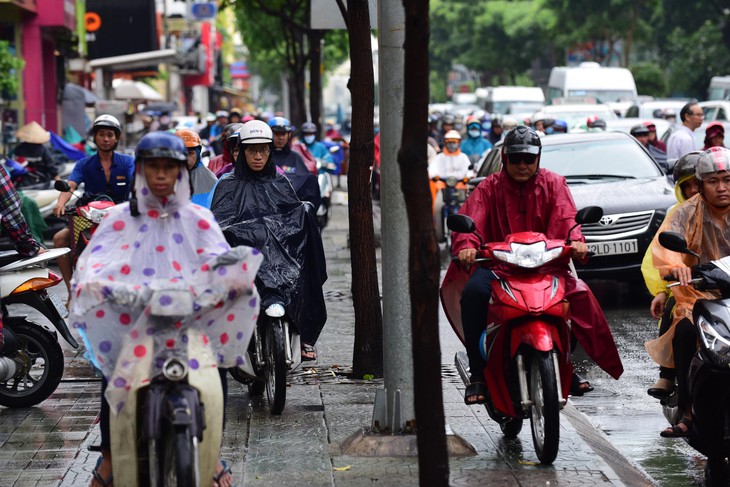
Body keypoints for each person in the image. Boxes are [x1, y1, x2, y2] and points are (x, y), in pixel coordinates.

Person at [70, 131, 260, 487]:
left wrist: (231, 280)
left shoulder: (198, 220)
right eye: (152, 167)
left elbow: (218, 260)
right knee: (114, 377)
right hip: (133, 325)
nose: (160, 175)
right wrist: (93, 284)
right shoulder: (117, 220)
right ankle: (110, 458)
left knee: (214, 369)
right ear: (140, 170)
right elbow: (95, 264)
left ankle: (212, 452)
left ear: (180, 172)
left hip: (189, 324)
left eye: (168, 168)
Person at [440, 126, 623, 404]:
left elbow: (566, 217)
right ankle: (478, 372)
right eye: (516, 159)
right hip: (498, 267)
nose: (522, 165)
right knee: (474, 294)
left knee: (579, 296)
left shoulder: (554, 183)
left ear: (538, 158)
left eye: (528, 159)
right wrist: (466, 246)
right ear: (505, 158)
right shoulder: (489, 187)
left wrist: (576, 242)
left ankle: (564, 367)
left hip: (547, 266)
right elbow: (471, 221)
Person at [210, 120, 327, 362]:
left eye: (263, 150)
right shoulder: (227, 184)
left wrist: (303, 212)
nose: (258, 156)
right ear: (242, 151)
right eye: (252, 150)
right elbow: (219, 224)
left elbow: (291, 216)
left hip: (279, 260)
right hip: (246, 262)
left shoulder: (280, 182)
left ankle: (302, 335)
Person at [646, 147, 730, 438]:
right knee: (684, 333)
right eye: (713, 181)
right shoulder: (686, 212)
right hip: (700, 295)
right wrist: (676, 268)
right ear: (701, 183)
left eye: (728, 179)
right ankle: (687, 412)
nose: (722, 187)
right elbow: (664, 247)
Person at [52, 115, 135, 297]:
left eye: (110, 135)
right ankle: (70, 290)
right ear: (95, 137)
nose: (106, 139)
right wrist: (60, 203)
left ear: (117, 138)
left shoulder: (128, 162)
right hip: (89, 219)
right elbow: (71, 185)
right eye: (102, 134)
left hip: (121, 218)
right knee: (59, 239)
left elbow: (137, 182)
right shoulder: (84, 164)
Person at [641, 152, 701, 399]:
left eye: (698, 183)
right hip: (689, 286)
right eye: (687, 186)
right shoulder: (678, 214)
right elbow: (659, 254)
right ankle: (667, 375)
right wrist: (662, 290)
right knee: (675, 315)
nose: (693, 190)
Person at [268, 117, 321, 208]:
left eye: (283, 134)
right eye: (276, 134)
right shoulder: (264, 156)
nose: (280, 138)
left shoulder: (295, 156)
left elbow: (304, 180)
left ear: (289, 135)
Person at [174, 128, 217, 205]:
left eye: (190, 153)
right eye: (182, 153)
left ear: (198, 153)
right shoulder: (164, 177)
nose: (186, 159)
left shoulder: (211, 180)